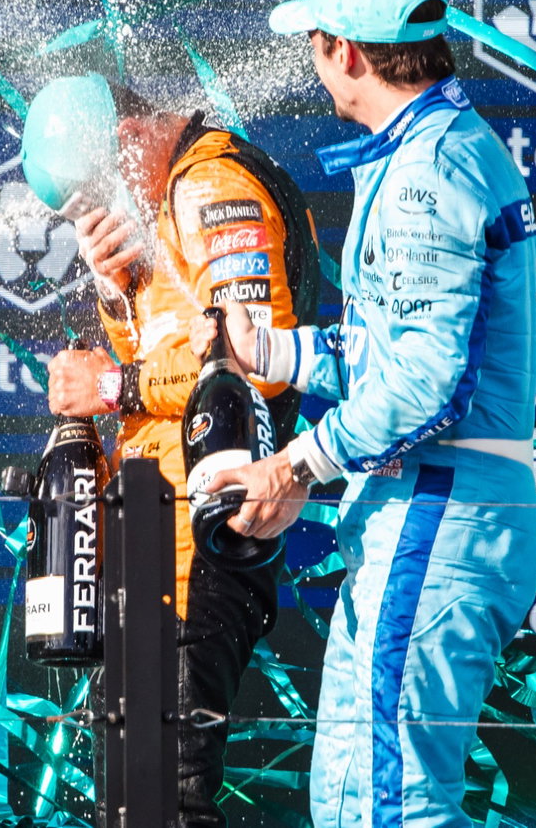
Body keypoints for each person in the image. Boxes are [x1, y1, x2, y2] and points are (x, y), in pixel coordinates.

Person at [195, 0, 536, 828]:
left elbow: (428, 384)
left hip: (439, 506)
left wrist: (296, 465)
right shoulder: (432, 150)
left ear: (345, 51)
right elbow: (393, 355)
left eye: (313, 46)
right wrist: (270, 352)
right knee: (354, 801)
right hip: (426, 509)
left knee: (391, 808)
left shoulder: (430, 172)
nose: (316, 72)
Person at [20, 72, 320, 827]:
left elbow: (247, 360)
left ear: (125, 141)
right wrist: (117, 291)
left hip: (198, 538)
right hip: (154, 532)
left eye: (92, 197)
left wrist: (114, 384)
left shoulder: (212, 184)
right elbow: (167, 342)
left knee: (168, 800)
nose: (96, 215)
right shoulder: (168, 196)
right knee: (131, 801)